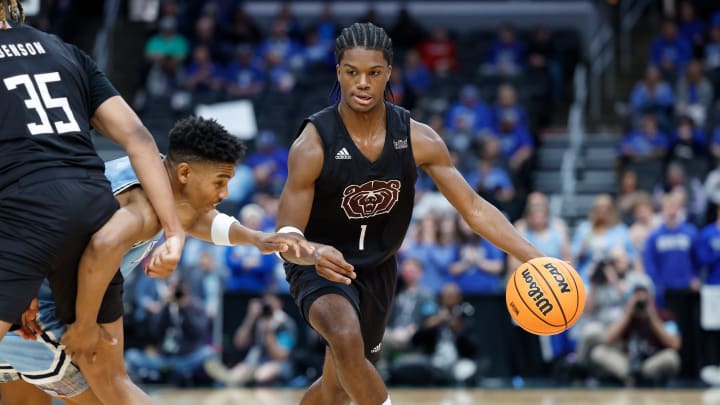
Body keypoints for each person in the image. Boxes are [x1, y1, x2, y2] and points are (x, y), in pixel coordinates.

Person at [275, 22, 544, 405]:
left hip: (378, 269)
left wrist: (535, 257)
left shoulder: (419, 138)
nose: (362, 83)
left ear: (389, 73)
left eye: (373, 73)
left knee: (337, 388)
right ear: (339, 72)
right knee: (347, 339)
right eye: (352, 72)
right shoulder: (313, 143)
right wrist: (315, 254)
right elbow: (286, 239)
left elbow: (474, 209)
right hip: (319, 266)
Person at [0, 117, 312, 404]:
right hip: (38, 308)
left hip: (21, 292)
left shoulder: (156, 173)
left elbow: (197, 217)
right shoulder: (143, 208)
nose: (224, 192)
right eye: (219, 181)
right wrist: (84, 325)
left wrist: (255, 238)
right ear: (186, 173)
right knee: (111, 391)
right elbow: (101, 249)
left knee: (26, 399)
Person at [0, 0, 185, 359]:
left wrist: (18, 276)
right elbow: (140, 139)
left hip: (23, 214)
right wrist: (174, 232)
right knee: (111, 383)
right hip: (92, 208)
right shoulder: (64, 50)